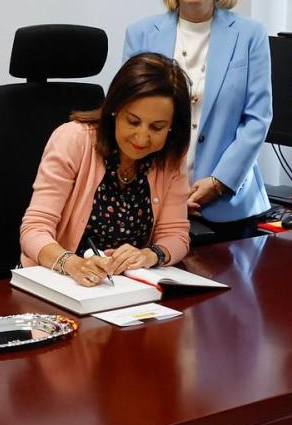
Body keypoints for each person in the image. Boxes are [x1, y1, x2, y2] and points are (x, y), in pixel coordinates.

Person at [123, 0, 272, 243]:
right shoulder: (141, 34)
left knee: (233, 294)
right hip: (154, 202)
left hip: (229, 206)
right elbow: (128, 117)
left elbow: (257, 119)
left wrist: (218, 182)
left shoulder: (250, 35)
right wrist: (159, 187)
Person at [20, 53, 193, 286]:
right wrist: (72, 263)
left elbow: (177, 235)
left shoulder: (170, 158)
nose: (142, 137)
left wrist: (150, 254)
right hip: (60, 282)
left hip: (124, 289)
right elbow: (34, 230)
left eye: (157, 127)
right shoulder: (73, 139)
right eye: (133, 121)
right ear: (114, 110)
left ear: (172, 128)